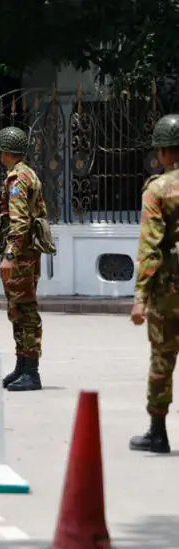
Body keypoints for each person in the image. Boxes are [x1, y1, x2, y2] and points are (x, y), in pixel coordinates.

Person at [129, 113, 179, 454]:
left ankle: (158, 432)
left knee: (163, 357)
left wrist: (140, 298)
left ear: (164, 152)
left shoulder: (159, 189)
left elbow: (150, 246)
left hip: (169, 291)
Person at [0, 126, 48, 392]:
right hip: (26, 254)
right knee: (17, 309)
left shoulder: (18, 179)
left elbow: (20, 220)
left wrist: (10, 255)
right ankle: (22, 366)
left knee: (24, 311)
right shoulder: (27, 174)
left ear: (6, 152)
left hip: (22, 255)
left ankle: (32, 372)